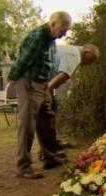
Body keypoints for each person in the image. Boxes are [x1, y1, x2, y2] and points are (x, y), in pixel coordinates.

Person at [7, 11, 72, 179]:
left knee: (47, 119)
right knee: (27, 124)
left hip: (42, 84)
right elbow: (24, 59)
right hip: (29, 82)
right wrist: (13, 78)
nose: (64, 34)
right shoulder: (38, 36)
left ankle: (50, 157)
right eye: (63, 30)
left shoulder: (50, 39)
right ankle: (23, 166)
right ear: (53, 24)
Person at [38, 43, 101, 161]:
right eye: (90, 60)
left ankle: (51, 150)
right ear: (87, 51)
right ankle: (48, 155)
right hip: (39, 82)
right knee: (46, 116)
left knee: (51, 110)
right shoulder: (75, 55)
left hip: (41, 80)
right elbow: (63, 75)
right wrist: (47, 91)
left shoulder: (70, 50)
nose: (88, 64)